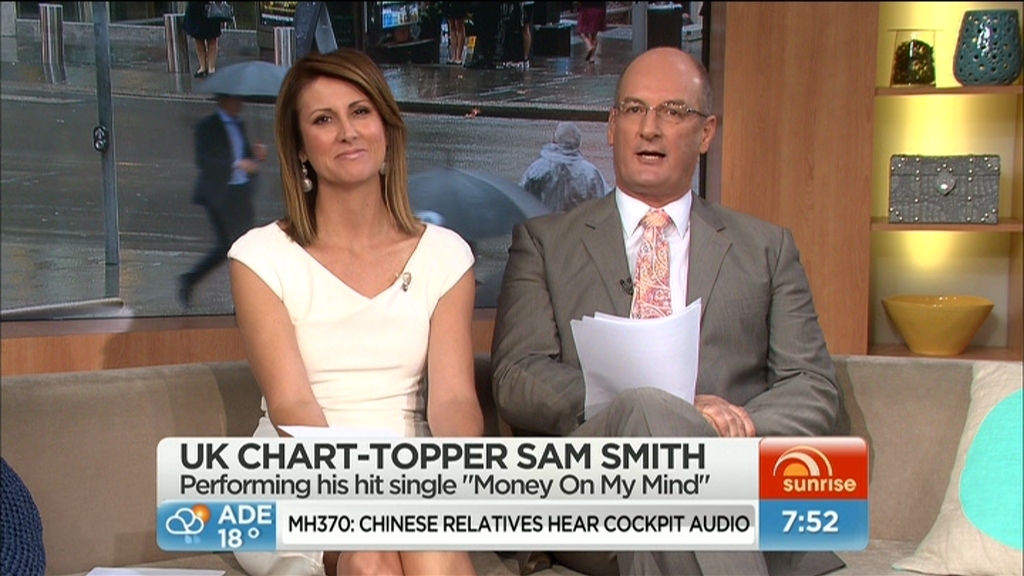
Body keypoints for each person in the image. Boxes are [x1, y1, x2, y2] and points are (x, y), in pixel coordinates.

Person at [491, 47, 845, 576]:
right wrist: (661, 411)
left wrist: (721, 433)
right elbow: (517, 376)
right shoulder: (544, 243)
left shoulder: (765, 248)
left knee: (669, 492)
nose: (649, 128)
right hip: (593, 490)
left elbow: (811, 385)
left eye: (673, 112)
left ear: (706, 133)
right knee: (646, 410)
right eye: (634, 109)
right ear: (612, 127)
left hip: (730, 481)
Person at [227, 48, 482, 576]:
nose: (347, 132)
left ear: (385, 129)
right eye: (324, 120)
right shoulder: (260, 256)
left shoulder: (445, 254)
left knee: (427, 546)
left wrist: (455, 482)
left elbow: (454, 400)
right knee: (369, 558)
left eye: (361, 112)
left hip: (411, 471)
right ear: (300, 148)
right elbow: (292, 403)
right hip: (298, 470)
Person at [178, 95, 267, 307]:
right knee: (226, 246)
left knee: (247, 246)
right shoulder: (207, 126)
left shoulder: (239, 124)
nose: (240, 103)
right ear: (225, 101)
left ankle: (248, 297)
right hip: (219, 195)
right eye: (236, 100)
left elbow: (246, 158)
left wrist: (256, 158)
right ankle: (190, 279)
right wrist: (237, 164)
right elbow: (204, 161)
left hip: (240, 194)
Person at [519, 121, 609, 212]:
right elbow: (604, 202)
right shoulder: (590, 173)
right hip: (578, 220)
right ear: (578, 144)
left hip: (543, 219)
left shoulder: (537, 170)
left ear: (555, 140)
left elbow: (520, 198)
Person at [183, 2, 222, 77]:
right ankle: (202, 67)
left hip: (211, 6)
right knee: (198, 38)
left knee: (212, 38)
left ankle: (211, 68)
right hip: (195, 8)